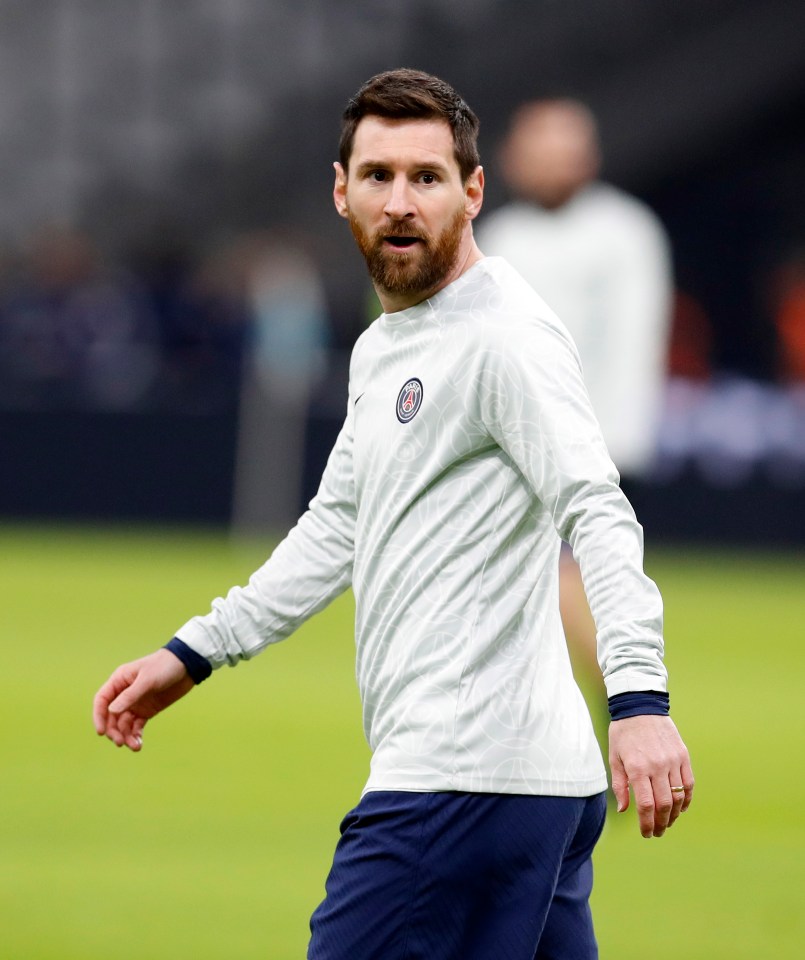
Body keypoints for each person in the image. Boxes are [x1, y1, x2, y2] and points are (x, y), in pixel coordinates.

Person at [93, 69, 693, 960]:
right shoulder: (389, 344)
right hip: (529, 790)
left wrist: (639, 700)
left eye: (427, 177)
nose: (401, 202)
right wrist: (196, 652)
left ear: (473, 191)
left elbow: (595, 509)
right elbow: (337, 523)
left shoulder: (503, 337)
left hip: (459, 784)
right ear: (341, 192)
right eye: (378, 176)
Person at [476, 99, 673, 711]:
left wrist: (604, 443)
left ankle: (631, 703)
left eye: (563, 148)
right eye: (539, 149)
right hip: (512, 449)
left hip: (597, 444)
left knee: (566, 588)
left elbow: (634, 346)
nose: (550, 163)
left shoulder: (625, 231)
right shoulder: (501, 235)